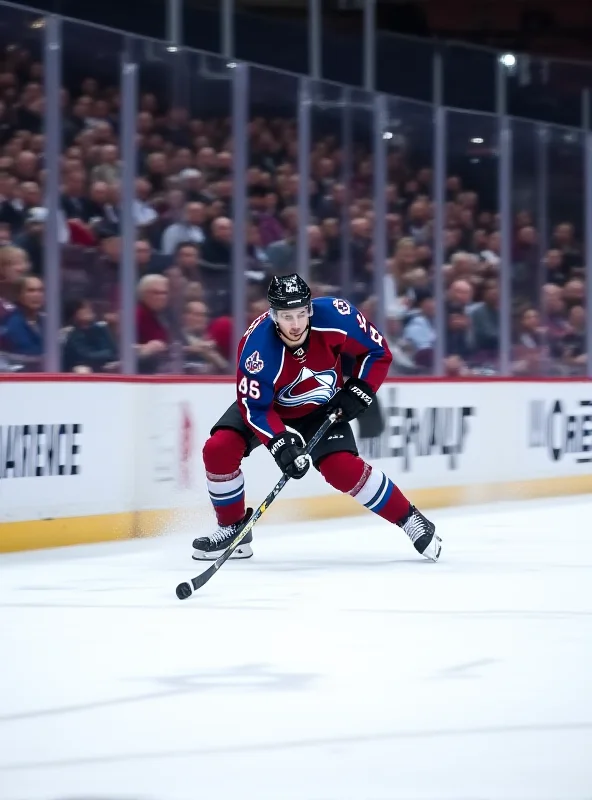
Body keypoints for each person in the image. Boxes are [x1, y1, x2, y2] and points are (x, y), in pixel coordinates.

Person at [193, 274, 441, 563]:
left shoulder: (337, 315)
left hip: (320, 407)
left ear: (310, 308)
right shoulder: (256, 349)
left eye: (301, 314)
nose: (296, 325)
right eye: (287, 316)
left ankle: (412, 520)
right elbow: (256, 408)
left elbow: (377, 352)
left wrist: (361, 388)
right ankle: (233, 528)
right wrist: (282, 447)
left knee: (342, 469)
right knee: (219, 448)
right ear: (273, 315)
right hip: (270, 407)